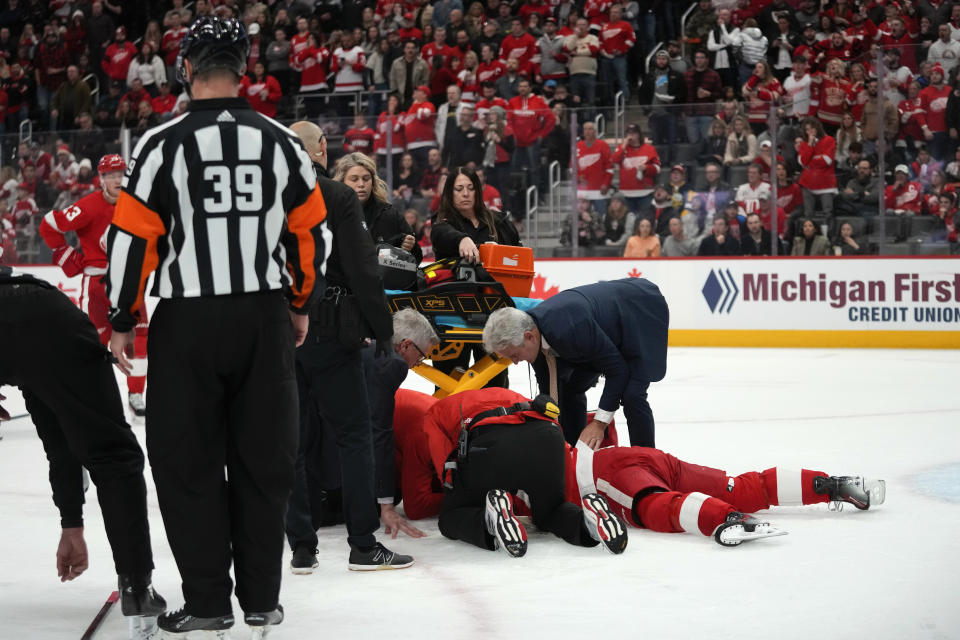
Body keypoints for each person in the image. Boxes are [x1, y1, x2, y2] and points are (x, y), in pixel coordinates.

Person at [104, 18, 332, 637]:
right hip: (262, 316)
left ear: (186, 68)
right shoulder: (283, 142)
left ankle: (207, 602)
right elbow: (311, 234)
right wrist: (300, 302)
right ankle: (261, 599)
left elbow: (130, 241)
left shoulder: (160, 145)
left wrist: (122, 316)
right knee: (265, 461)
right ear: (244, 68)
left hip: (188, 325)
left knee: (187, 464)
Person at [391, 387, 886, 545]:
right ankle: (832, 484)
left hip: (602, 478)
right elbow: (585, 424)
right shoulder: (520, 414)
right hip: (630, 456)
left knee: (653, 507)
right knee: (740, 482)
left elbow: (433, 498)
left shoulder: (496, 468)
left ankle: (725, 521)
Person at [0, 265, 166, 634]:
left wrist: (71, 525)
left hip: (35, 318)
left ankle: (76, 531)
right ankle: (137, 588)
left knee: (59, 430)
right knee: (113, 456)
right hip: (48, 320)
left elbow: (60, 445)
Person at [286, 123, 418, 576]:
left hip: (279, 334)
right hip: (329, 331)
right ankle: (362, 544)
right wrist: (382, 329)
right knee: (356, 436)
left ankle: (302, 546)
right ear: (323, 149)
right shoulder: (336, 197)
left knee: (294, 440)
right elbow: (364, 270)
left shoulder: (264, 195)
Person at [423, 387, 628, 557]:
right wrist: (562, 498)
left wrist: (459, 495)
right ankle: (586, 525)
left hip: (489, 444)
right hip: (549, 438)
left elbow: (446, 463)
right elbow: (560, 444)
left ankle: (487, 522)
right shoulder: (510, 394)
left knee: (450, 517)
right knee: (551, 512)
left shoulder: (435, 411)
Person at [482, 277, 668, 449]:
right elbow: (552, 395)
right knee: (570, 389)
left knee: (632, 395)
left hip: (639, 312)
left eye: (514, 355)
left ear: (529, 337)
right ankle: (574, 451)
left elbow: (617, 370)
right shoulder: (531, 333)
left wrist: (598, 424)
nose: (515, 362)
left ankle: (647, 459)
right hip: (598, 334)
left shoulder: (568, 330)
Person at [38, 155, 149, 418]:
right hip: (99, 284)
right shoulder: (87, 206)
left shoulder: (137, 205)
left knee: (141, 338)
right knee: (95, 344)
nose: (117, 180)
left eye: (121, 174)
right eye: (110, 175)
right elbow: (49, 226)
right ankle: (92, 398)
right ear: (101, 179)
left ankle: (136, 395)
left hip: (130, 283)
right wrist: (67, 256)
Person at [431, 167, 520, 386]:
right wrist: (461, 239)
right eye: (459, 189)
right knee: (450, 381)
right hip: (454, 318)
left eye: (471, 188)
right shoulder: (443, 223)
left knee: (495, 383)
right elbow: (442, 235)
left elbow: (518, 253)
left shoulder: (497, 221)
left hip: (493, 313)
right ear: (450, 193)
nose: (465, 193)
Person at [334, 151, 422, 263]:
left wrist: (408, 247)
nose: (361, 184)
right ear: (342, 182)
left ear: (373, 181)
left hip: (383, 279)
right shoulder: (332, 215)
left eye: (366, 179)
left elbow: (416, 258)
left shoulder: (390, 214)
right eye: (354, 179)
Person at [795, 116, 838, 219]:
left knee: (828, 214)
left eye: (812, 128)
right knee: (808, 214)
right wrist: (810, 144)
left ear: (817, 127)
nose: (810, 132)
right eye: (807, 129)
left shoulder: (829, 140)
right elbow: (802, 161)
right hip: (807, 182)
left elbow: (827, 160)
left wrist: (810, 162)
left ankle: (829, 234)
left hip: (826, 183)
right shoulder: (804, 144)